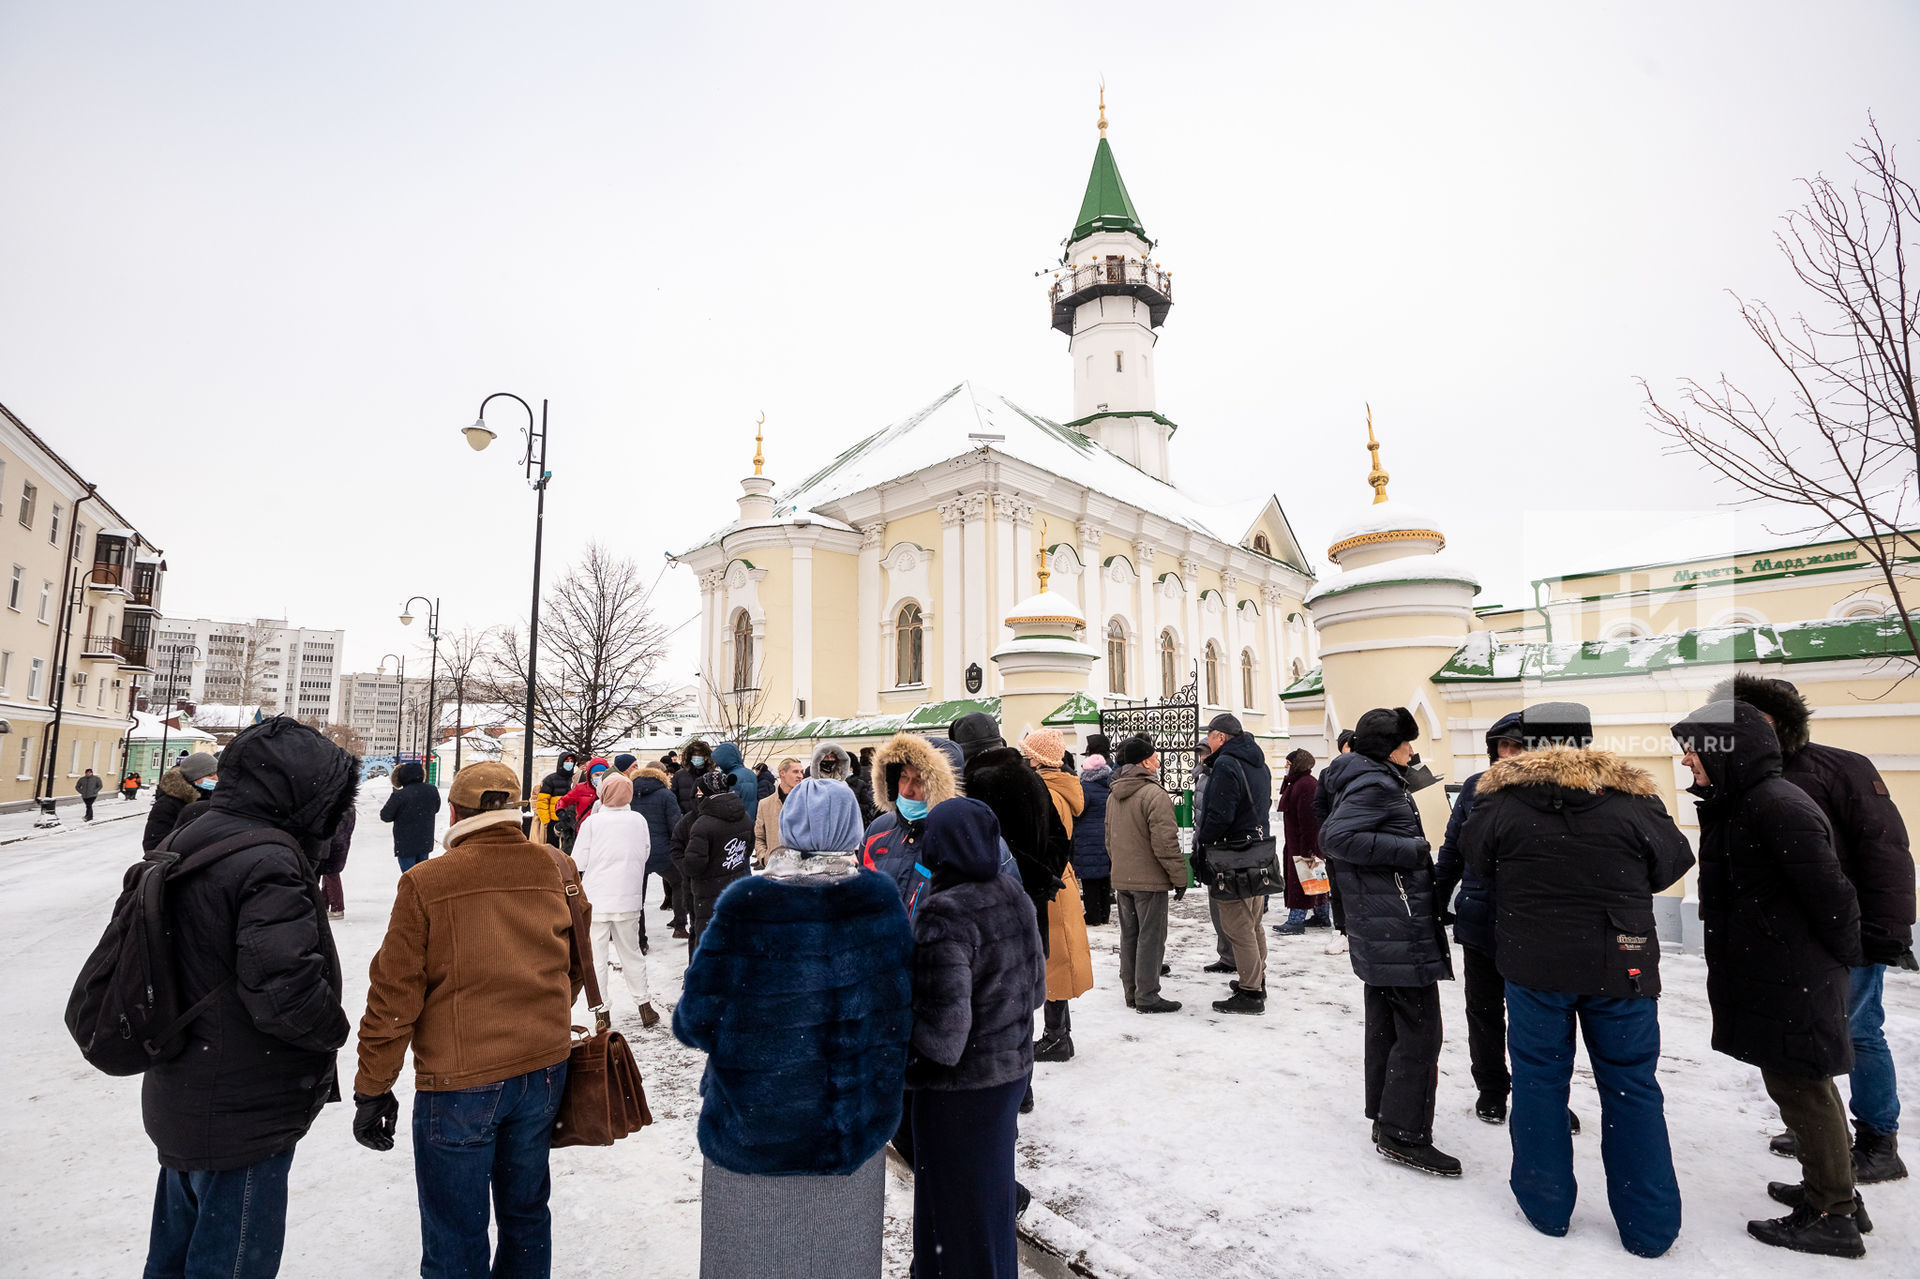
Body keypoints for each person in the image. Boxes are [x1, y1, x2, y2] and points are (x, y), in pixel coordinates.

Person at [1461, 701, 1695, 1257]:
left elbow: (1479, 862)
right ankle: (1650, 1226)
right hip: (1623, 959)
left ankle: (1546, 1207)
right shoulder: (1632, 798)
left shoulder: (1499, 802)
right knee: (1632, 1085)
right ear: (1586, 740)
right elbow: (1671, 864)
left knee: (1540, 1080)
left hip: (1534, 962)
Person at [140, 717, 357, 1279]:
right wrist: (333, 1031)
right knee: (233, 1262)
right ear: (301, 790)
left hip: (188, 1083)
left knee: (177, 1252)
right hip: (242, 1099)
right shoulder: (270, 860)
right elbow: (283, 990)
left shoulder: (194, 834)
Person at [673, 779, 915, 1279]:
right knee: (837, 1261)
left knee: (751, 1261)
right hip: (847, 1130)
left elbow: (694, 1021)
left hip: (753, 1130)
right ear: (852, 830)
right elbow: (898, 1016)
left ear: (787, 826)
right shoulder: (878, 902)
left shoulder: (746, 903)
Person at [353, 760, 585, 1279]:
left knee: (455, 1231)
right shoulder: (557, 868)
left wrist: (373, 1088)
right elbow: (577, 967)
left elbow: (394, 997)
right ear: (514, 811)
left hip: (460, 1080)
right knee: (526, 1215)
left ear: (454, 812)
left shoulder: (426, 881)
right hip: (544, 1069)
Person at [1672, 700, 1868, 1258]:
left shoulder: (1774, 805)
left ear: (1728, 751)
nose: (1686, 760)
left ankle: (1834, 1214)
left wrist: (1821, 964)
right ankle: (1832, 1190)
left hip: (1791, 974)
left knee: (1803, 1089)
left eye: (1695, 748)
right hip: (1778, 970)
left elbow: (1834, 897)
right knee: (1802, 1086)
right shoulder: (1745, 802)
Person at [1709, 673, 1915, 1182]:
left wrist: (1886, 933)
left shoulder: (1839, 768)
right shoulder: (1741, 777)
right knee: (1807, 1038)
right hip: (1792, 941)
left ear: (1772, 720)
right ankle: (1824, 1134)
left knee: (1859, 1031)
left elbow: (1884, 853)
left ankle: (1877, 1140)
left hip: (1848, 932)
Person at [907, 798, 1048, 1279]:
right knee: (988, 1202)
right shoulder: (1014, 895)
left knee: (951, 1210)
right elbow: (1035, 992)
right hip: (1008, 1075)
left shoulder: (942, 913)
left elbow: (943, 1036)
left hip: (956, 1091)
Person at [1319, 706, 1458, 1176]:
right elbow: (1336, 838)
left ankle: (1387, 1117)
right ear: (1386, 747)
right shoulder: (1376, 783)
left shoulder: (1369, 776)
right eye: (1406, 744)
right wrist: (1414, 850)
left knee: (1389, 1025)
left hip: (1383, 921)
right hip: (1395, 924)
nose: (1413, 752)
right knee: (1419, 1031)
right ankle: (1405, 1133)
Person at [1431, 712, 1525, 1119]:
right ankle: (1491, 1089)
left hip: (1534, 925)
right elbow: (1452, 849)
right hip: (1480, 919)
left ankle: (1538, 1093)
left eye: (1519, 746)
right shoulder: (1475, 788)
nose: (1510, 754)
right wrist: (1435, 901)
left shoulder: (1550, 790)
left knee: (1535, 1019)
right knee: (1484, 1012)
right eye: (1504, 745)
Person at [954, 713, 1062, 949]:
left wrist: (1035, 877)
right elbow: (1060, 837)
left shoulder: (974, 782)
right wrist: (1045, 878)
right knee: (1029, 976)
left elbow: (990, 846)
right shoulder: (1032, 775)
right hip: (1033, 905)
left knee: (1000, 978)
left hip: (996, 904)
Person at [568, 773, 661, 1028]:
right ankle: (644, 1005)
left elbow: (578, 862)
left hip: (596, 899)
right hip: (628, 898)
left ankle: (601, 1011)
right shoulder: (638, 821)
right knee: (631, 953)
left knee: (596, 957)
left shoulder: (592, 823)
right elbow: (645, 853)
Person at [1021, 729, 1092, 1062]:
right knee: (1056, 958)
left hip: (1051, 880)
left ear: (1038, 759)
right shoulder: (1060, 786)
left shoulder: (1046, 792)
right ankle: (1060, 1034)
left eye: (1026, 754)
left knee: (1054, 961)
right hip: (1060, 877)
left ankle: (1056, 1038)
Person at [1194, 713, 1271, 1014]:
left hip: (1233, 853)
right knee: (1253, 923)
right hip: (1256, 850)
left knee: (1237, 926)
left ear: (1221, 737)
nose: (1207, 741)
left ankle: (1251, 993)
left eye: (1209, 735)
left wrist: (1204, 844)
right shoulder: (1258, 763)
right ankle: (1257, 978)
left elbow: (1220, 814)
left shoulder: (1226, 764)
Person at [1105, 734, 1186, 1013]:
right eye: (1153, 757)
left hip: (1123, 877)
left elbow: (1109, 839)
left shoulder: (1114, 794)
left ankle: (1132, 991)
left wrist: (1121, 867)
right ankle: (1147, 995)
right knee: (1150, 937)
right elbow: (1165, 842)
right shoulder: (1154, 793)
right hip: (1149, 881)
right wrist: (1179, 877)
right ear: (1144, 763)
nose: (1158, 761)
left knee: (1129, 935)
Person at [862, 732, 964, 917]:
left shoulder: (968, 841)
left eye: (919, 780)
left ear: (941, 787)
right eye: (903, 776)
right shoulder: (878, 831)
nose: (907, 791)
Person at [673, 768, 753, 953]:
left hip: (708, 895)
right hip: (736, 889)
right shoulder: (745, 817)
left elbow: (694, 865)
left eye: (699, 791)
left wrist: (685, 867)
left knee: (707, 946)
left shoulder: (703, 824)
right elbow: (748, 850)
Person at [1275, 748, 1331, 934]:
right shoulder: (1299, 783)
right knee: (1315, 879)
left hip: (1303, 844)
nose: (1286, 767)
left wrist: (1308, 848)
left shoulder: (1305, 785)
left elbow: (1309, 821)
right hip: (1297, 842)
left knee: (1301, 881)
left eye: (1289, 764)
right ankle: (1322, 915)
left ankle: (1296, 921)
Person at [630, 763, 685, 939]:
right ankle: (680, 925)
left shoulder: (629, 793)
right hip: (663, 852)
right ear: (662, 774)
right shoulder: (666, 795)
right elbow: (675, 825)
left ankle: (640, 938)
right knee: (679, 882)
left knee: (638, 896)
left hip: (638, 852)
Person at [1074, 740, 1115, 926]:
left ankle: (1093, 915)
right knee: (1105, 878)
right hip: (1106, 836)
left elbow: (1079, 810)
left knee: (1090, 879)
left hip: (1088, 838)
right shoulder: (1109, 786)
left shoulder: (1085, 788)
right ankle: (1104, 913)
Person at [142, 751, 217, 852]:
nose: (216, 778)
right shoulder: (168, 804)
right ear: (193, 777)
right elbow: (154, 844)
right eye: (210, 775)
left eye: (217, 773)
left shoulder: (215, 798)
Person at [379, 759, 441, 872]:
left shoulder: (400, 795)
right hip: (425, 842)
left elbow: (385, 816)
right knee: (422, 876)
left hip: (405, 844)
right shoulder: (432, 790)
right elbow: (436, 808)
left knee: (409, 878)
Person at [755, 756, 803, 868]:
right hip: (775, 870)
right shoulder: (765, 804)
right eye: (795, 772)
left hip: (802, 870)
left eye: (801, 772)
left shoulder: (809, 802)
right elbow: (759, 837)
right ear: (782, 773)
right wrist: (764, 858)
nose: (800, 776)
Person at [316, 806, 356, 922]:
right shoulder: (347, 806)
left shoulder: (336, 806)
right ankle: (324, 905)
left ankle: (336, 908)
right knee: (328, 873)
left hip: (332, 844)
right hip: (338, 843)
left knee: (331, 873)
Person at [533, 752, 577, 848]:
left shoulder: (575, 779)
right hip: (553, 821)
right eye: (567, 761)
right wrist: (546, 820)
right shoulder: (550, 779)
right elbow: (542, 802)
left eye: (571, 762)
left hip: (570, 820)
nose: (569, 764)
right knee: (553, 850)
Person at [712, 741, 759, 812]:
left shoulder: (732, 776)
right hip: (751, 817)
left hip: (737, 819)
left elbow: (730, 804)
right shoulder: (750, 773)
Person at [672, 739, 711, 809]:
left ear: (706, 757)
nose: (697, 757)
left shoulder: (712, 775)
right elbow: (673, 799)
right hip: (685, 816)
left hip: (707, 817)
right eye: (694, 755)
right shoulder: (679, 775)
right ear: (690, 757)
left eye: (700, 755)